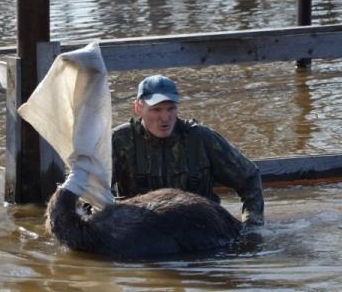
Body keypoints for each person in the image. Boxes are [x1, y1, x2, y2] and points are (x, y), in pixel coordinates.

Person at [111, 74, 264, 226]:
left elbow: (249, 177)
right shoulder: (118, 141)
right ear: (138, 107)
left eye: (171, 108)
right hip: (138, 233)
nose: (165, 118)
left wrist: (252, 226)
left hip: (199, 231)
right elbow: (91, 192)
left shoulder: (202, 138)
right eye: (156, 110)